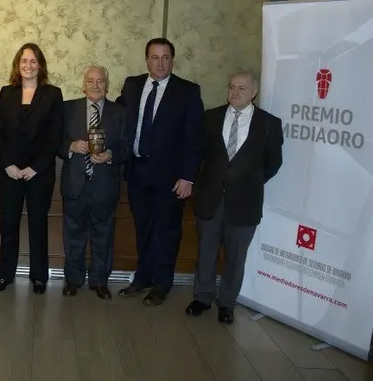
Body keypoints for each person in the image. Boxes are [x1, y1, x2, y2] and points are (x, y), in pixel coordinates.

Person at [186, 71, 283, 323]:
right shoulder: (210, 117)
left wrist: (249, 182)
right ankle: (202, 297)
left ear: (254, 92)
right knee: (205, 253)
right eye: (231, 87)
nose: (235, 92)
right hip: (210, 199)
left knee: (235, 258)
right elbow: (198, 153)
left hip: (244, 203)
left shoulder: (269, 124)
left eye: (242, 88)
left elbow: (273, 163)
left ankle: (227, 303)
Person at [117, 38, 204, 306]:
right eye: (155, 57)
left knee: (166, 232)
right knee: (143, 229)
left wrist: (188, 176)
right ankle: (143, 277)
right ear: (147, 60)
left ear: (172, 60)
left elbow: (194, 137)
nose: (160, 63)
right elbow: (117, 117)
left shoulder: (187, 91)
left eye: (166, 57)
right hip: (137, 173)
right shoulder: (132, 85)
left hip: (171, 178)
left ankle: (162, 284)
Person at [0, 43, 63, 294]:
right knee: (8, 224)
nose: (28, 66)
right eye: (24, 61)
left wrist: (36, 167)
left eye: (33, 61)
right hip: (9, 172)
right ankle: (5, 274)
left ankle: (39, 276)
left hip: (39, 174)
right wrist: (7, 164)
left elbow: (55, 136)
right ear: (17, 65)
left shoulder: (53, 94)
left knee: (37, 224)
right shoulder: (6, 92)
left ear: (40, 65)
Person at [59, 65, 129, 298]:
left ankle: (99, 281)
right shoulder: (68, 109)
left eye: (100, 81)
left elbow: (127, 147)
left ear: (107, 86)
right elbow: (54, 141)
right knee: (73, 236)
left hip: (105, 186)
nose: (96, 86)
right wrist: (71, 146)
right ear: (83, 84)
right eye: (91, 81)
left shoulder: (119, 112)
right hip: (75, 185)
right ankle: (73, 280)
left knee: (103, 236)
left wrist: (110, 155)